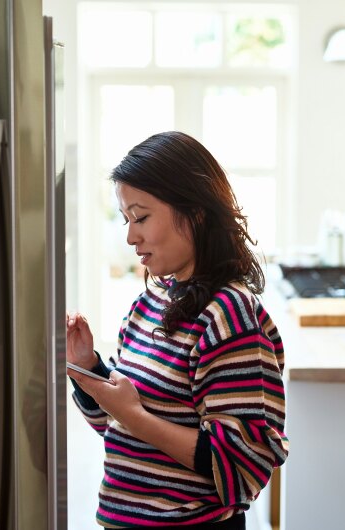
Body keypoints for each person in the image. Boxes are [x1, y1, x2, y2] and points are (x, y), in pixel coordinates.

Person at [67, 131, 289, 529]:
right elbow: (117, 428)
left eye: (141, 217)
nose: (131, 236)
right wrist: (88, 368)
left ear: (195, 211)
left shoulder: (229, 316)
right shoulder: (147, 306)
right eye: (126, 220)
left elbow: (243, 468)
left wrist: (133, 415)